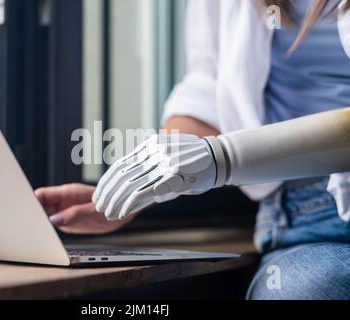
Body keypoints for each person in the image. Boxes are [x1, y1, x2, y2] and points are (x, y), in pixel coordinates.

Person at [36, 0, 350, 300]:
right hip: (307, 219)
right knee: (308, 288)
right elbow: (208, 93)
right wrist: (140, 185)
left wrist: (224, 157)